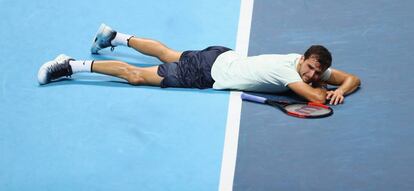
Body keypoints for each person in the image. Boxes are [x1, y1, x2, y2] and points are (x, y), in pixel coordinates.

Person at [37, 24, 361, 105]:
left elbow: (353, 78)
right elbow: (317, 98)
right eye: (311, 69)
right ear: (303, 59)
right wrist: (328, 91)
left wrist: (338, 85)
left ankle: (115, 36)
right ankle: (70, 65)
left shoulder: (301, 62)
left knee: (167, 53)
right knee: (135, 76)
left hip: (221, 53)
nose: (312, 75)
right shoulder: (287, 71)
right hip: (207, 72)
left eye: (318, 73)